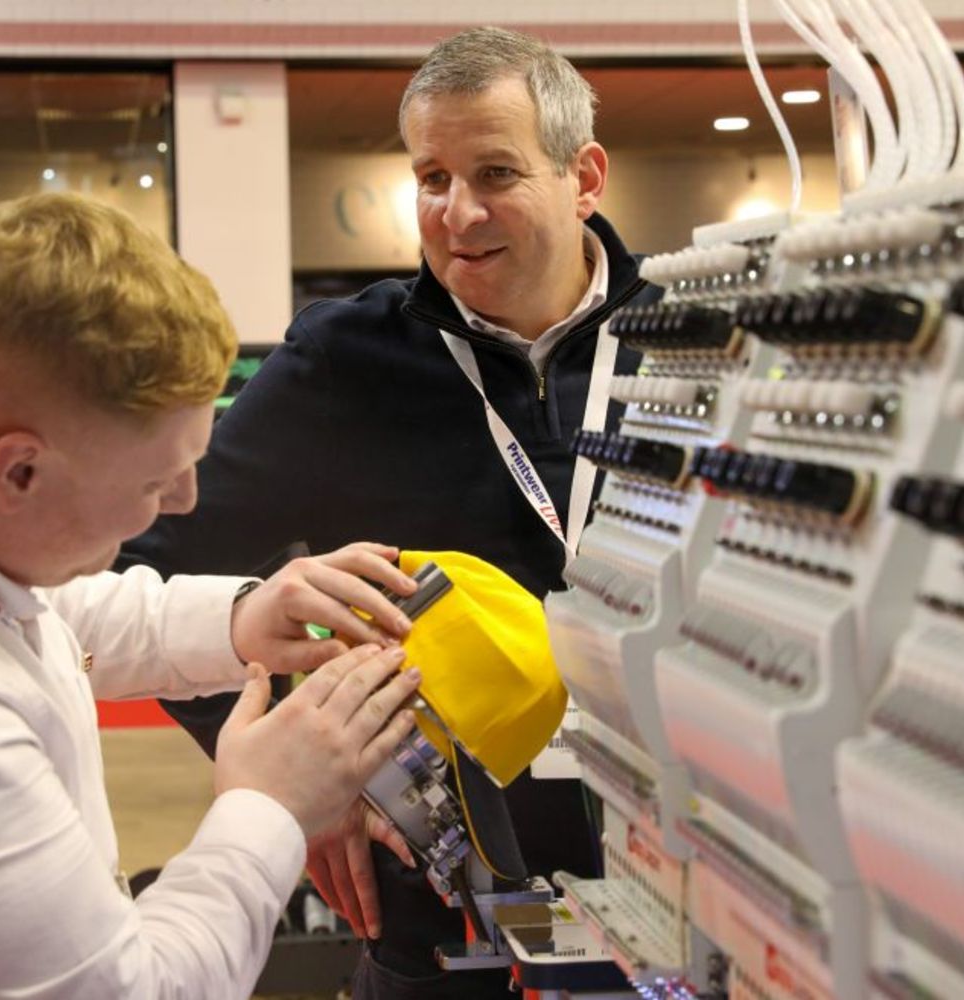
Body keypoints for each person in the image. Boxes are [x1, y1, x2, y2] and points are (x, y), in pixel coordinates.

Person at [122, 25, 660, 1000]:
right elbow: (152, 564)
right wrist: (299, 767)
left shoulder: (689, 340)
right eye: (431, 176)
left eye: (494, 171)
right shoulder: (346, 358)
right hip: (441, 915)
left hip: (689, 893)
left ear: (583, 177)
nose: (457, 212)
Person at [0, 191, 427, 1000]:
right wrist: (269, 806)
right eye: (154, 479)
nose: (182, 502)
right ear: (20, 472)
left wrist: (243, 619)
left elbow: (57, 615)